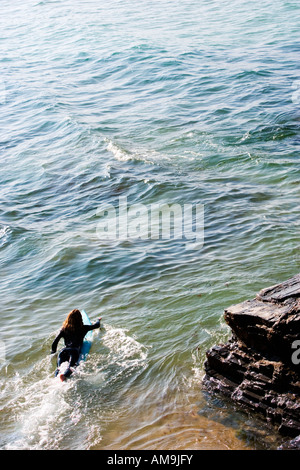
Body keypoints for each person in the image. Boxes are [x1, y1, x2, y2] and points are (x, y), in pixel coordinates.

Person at [51, 309, 101, 381]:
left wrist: (53, 353)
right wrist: (98, 320)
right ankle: (64, 376)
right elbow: (97, 325)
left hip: (63, 351)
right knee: (71, 367)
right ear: (80, 319)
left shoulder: (64, 329)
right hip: (74, 351)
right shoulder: (84, 328)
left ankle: (56, 378)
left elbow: (54, 343)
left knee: (58, 368)